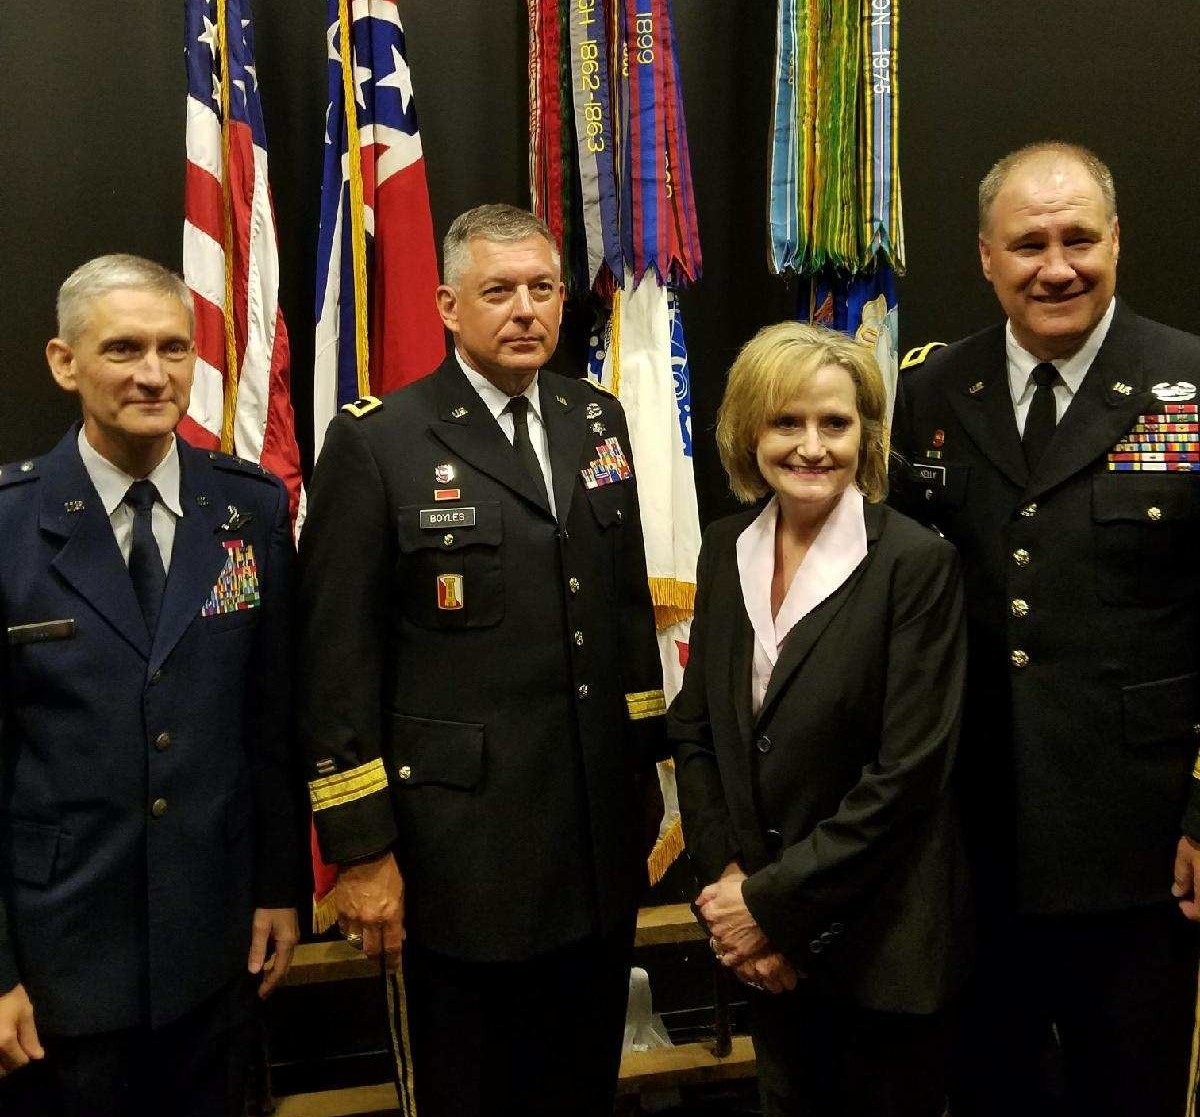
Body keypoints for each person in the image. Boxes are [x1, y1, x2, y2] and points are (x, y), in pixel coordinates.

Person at [297, 203, 666, 1117]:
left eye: (542, 288)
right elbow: (334, 660)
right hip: (461, 855)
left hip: (592, 835)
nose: (526, 310)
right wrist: (363, 852)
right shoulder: (380, 440)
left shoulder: (597, 415)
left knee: (583, 1085)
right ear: (447, 305)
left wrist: (645, 777)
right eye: (498, 291)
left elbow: (622, 617)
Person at [891, 141, 1200, 1117]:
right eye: (1029, 243)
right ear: (987, 256)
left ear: (1117, 241)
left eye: (1078, 239)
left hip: (1141, 844)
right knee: (989, 1091)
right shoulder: (935, 393)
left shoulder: (1186, 384)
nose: (1056, 265)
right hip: (977, 843)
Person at [0, 254, 300, 1116]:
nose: (153, 373)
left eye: (174, 348)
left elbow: (269, 721)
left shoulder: (251, 509)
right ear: (64, 362)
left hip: (215, 956)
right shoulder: (12, 527)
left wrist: (278, 886)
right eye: (124, 348)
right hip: (62, 967)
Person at [670, 322, 971, 1117]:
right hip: (761, 954)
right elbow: (697, 728)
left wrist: (771, 909)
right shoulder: (725, 546)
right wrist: (726, 888)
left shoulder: (915, 562)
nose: (812, 446)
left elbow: (908, 776)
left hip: (878, 957)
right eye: (786, 422)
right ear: (748, 431)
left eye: (835, 423)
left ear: (867, 432)